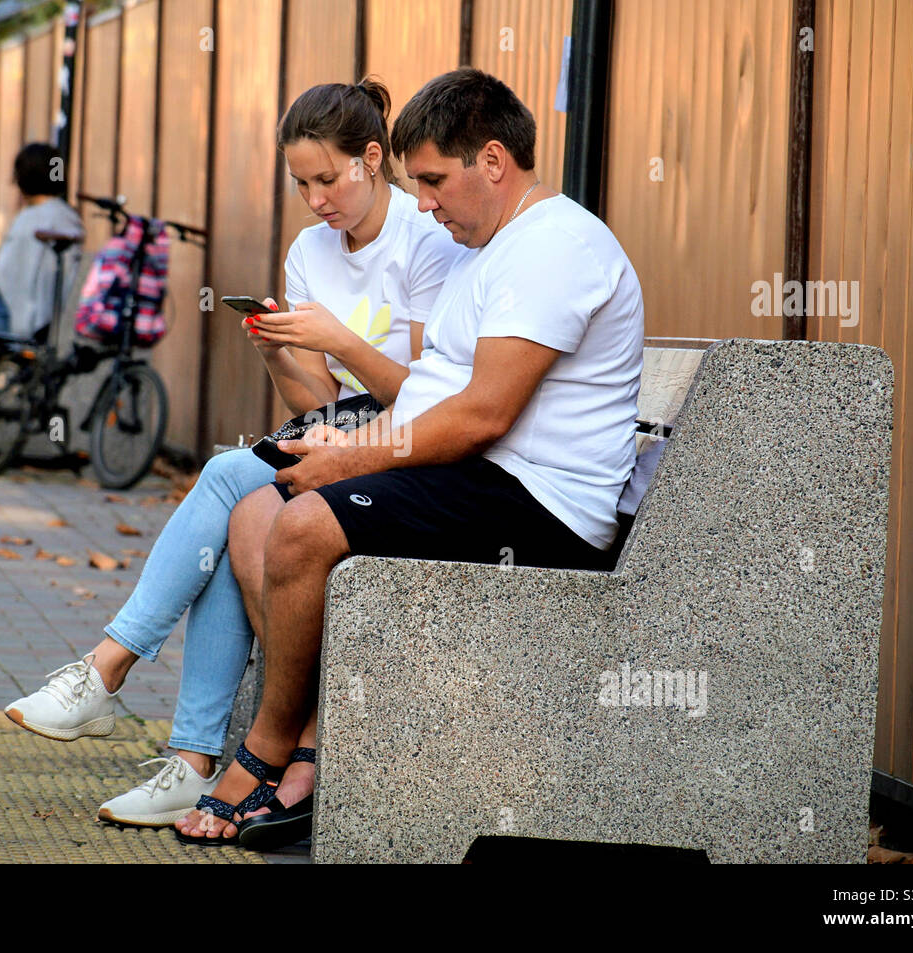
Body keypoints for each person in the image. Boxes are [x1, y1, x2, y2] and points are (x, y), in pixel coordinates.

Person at [175, 67, 646, 848]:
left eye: (432, 180)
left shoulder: (554, 245)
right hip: (480, 475)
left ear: (492, 161)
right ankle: (319, 746)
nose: (422, 203)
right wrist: (346, 440)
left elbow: (483, 415)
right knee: (256, 510)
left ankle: (265, 755)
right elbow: (432, 395)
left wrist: (351, 461)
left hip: (539, 503)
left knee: (300, 529)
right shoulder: (482, 251)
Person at [3, 78, 461, 838]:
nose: (315, 200)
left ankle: (109, 669)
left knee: (221, 474)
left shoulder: (424, 237)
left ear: (373, 159)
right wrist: (279, 350)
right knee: (234, 517)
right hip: (337, 428)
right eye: (301, 183)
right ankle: (188, 763)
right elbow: (312, 400)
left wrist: (340, 339)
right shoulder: (310, 250)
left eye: (327, 179)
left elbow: (418, 396)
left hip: (405, 442)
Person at [0, 142, 84, 344]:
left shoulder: (30, 220)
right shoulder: (68, 216)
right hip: (53, 322)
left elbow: (9, 282)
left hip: (12, 319)